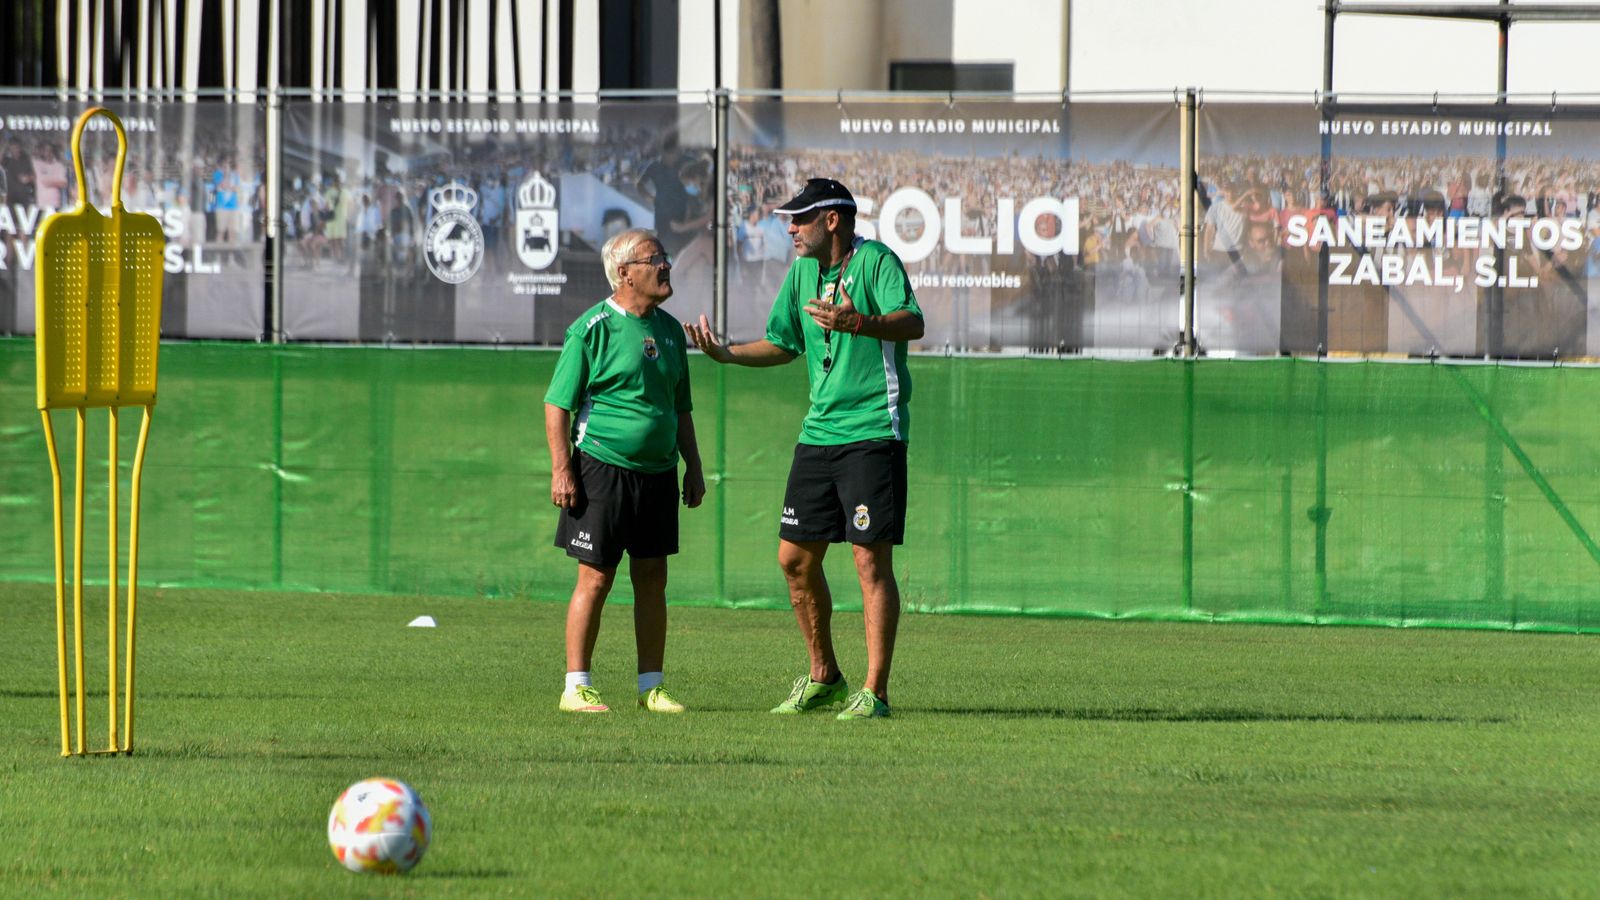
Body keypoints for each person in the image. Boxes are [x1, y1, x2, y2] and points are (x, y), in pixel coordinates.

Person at [683, 178, 924, 721]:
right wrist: (726, 354)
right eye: (788, 219)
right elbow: (784, 342)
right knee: (793, 559)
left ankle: (875, 693)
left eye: (799, 218)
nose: (789, 228)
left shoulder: (877, 262)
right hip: (817, 435)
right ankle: (825, 677)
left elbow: (914, 322)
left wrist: (857, 321)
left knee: (869, 562)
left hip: (872, 430)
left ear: (832, 220)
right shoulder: (799, 273)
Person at [544, 228, 706, 714]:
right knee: (595, 577)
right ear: (624, 273)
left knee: (653, 576)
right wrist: (561, 470)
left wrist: (693, 466)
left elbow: (680, 409)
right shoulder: (591, 329)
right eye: (654, 258)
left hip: (657, 475)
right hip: (601, 469)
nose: (666, 266)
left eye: (665, 256)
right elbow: (557, 406)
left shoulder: (672, 332)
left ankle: (650, 687)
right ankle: (576, 685)